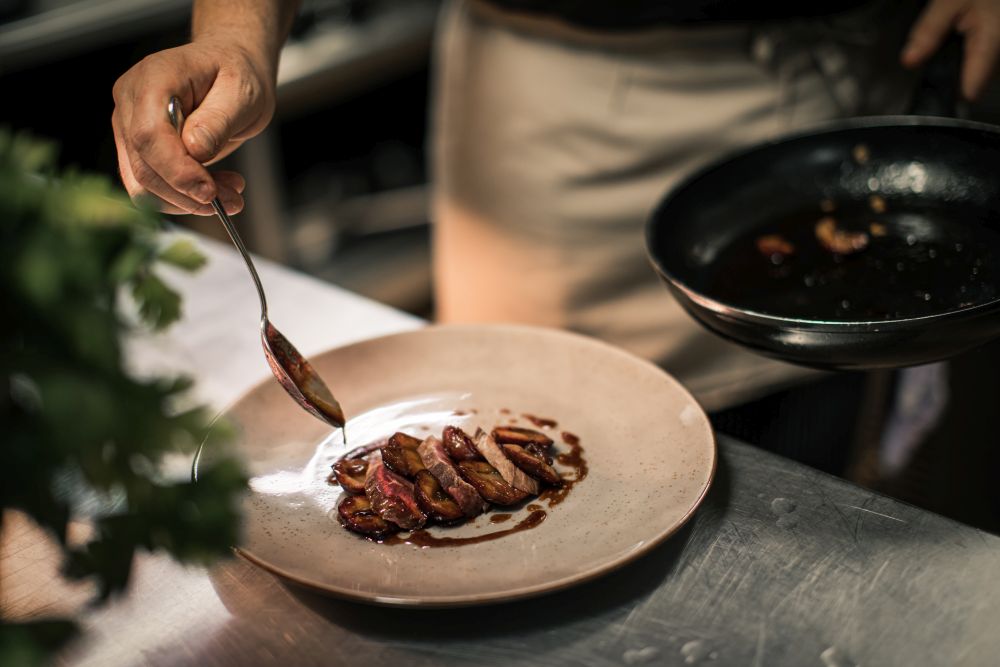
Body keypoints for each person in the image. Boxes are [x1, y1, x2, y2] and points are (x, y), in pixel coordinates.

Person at [112, 0, 1000, 414]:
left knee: (844, 459)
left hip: (870, 87)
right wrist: (233, 32)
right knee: (557, 461)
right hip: (564, 116)